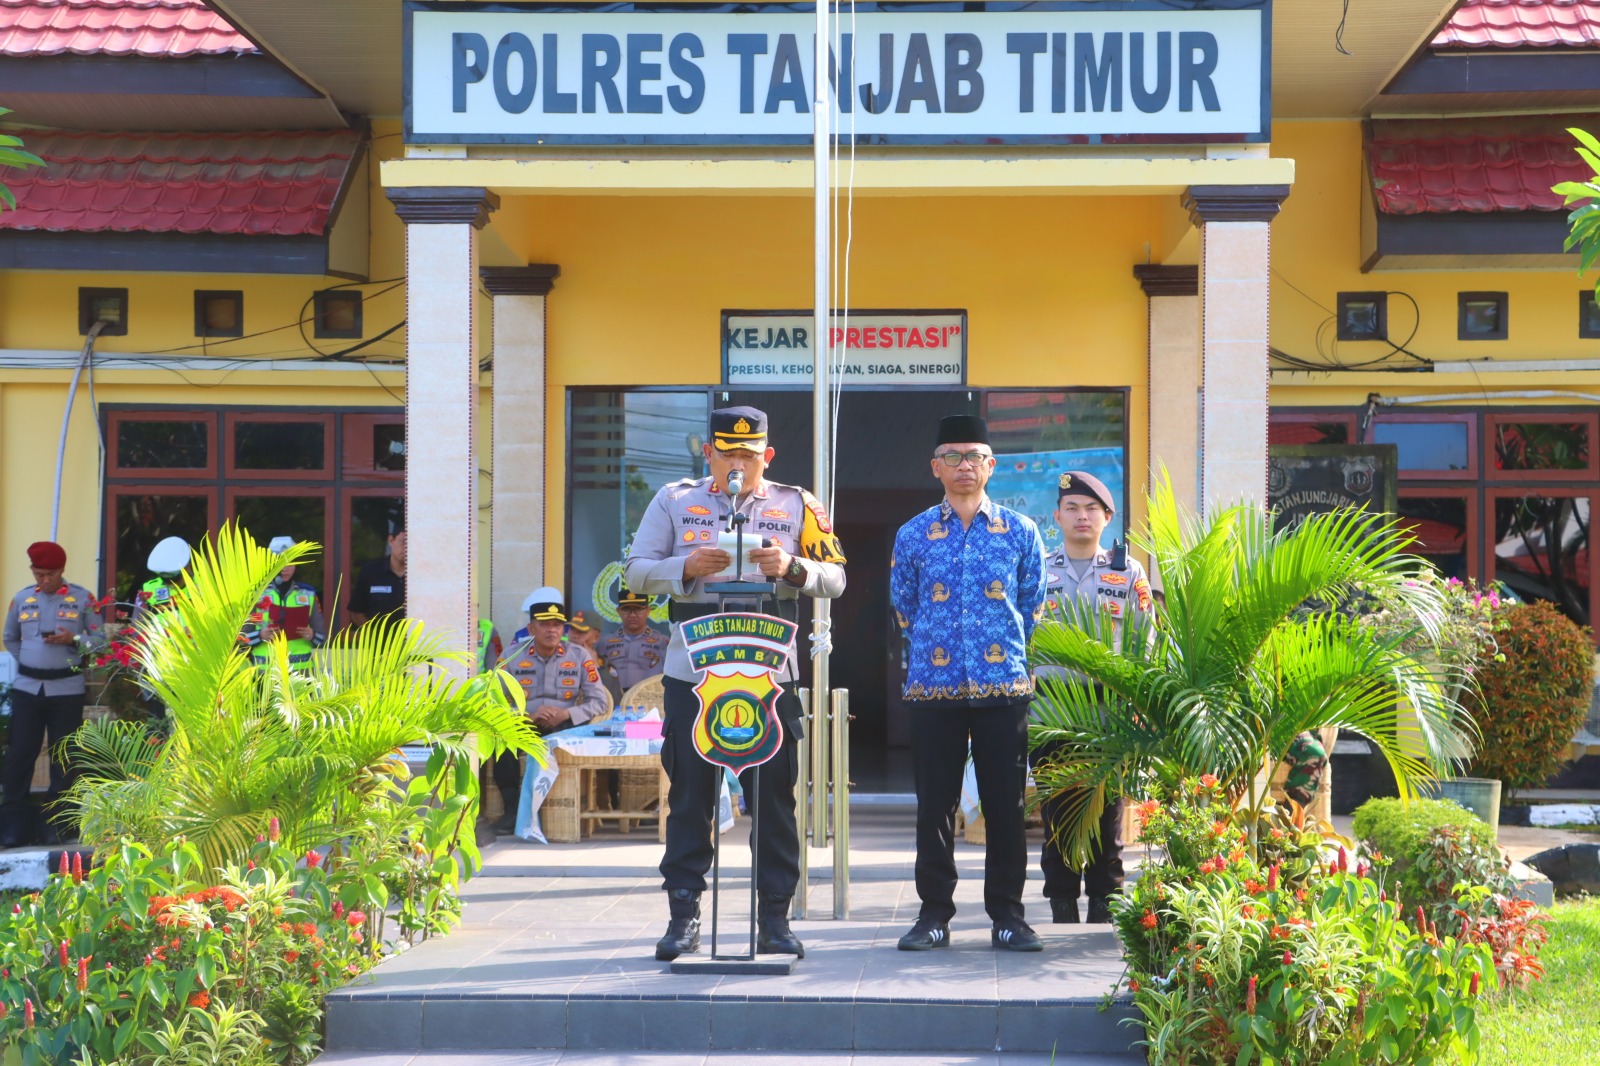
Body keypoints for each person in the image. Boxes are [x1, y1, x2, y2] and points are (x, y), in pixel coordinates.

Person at [624, 405, 846, 962]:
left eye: (749, 455)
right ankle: (684, 916)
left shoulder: (797, 503)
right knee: (691, 797)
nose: (738, 465)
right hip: (695, 675)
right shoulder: (675, 501)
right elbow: (634, 570)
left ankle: (774, 918)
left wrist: (792, 568)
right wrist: (685, 567)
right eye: (728, 453)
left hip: (768, 677)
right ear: (709, 454)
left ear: (767, 456)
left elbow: (837, 576)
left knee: (774, 800)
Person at [890, 414, 1047, 953]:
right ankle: (934, 915)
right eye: (952, 456)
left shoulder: (1021, 532)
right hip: (934, 689)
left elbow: (1031, 606)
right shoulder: (913, 534)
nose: (964, 466)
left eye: (974, 456)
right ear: (936, 467)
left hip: (1004, 688)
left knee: (1006, 807)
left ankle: (1008, 916)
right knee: (934, 805)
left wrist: (997, 655)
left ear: (991, 466)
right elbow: (905, 607)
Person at [1035, 470, 1154, 924]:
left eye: (1091, 509)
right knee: (1057, 807)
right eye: (1072, 508)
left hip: (1110, 706)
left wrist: (1142, 703)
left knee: (1107, 808)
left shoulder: (1127, 571)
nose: (1081, 517)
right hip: (1051, 705)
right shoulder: (1038, 568)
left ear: (1107, 517)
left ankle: (1107, 900)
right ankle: (1061, 901)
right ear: (1057, 517)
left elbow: (1145, 639)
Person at [1, 541, 105, 847]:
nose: (45, 579)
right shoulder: (22, 599)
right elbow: (10, 638)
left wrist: (73, 639)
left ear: (63, 570)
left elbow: (99, 643)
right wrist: (33, 663)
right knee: (21, 754)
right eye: (40, 573)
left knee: (64, 757)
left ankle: (57, 823)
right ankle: (14, 824)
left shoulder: (84, 599)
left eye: (52, 573)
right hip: (28, 689)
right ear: (33, 570)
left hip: (67, 689)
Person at [494, 592, 608, 832]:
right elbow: (494, 701)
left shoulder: (580, 656)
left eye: (557, 625)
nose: (552, 631)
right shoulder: (510, 656)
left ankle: (567, 809)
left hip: (567, 725)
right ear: (531, 628)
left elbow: (599, 702)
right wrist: (525, 715)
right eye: (545, 624)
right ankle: (512, 811)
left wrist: (567, 714)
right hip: (524, 725)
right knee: (503, 743)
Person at [242, 537, 327, 670]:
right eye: (280, 562)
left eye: (290, 562)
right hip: (264, 671)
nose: (285, 568)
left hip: (301, 672)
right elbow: (241, 638)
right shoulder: (256, 594)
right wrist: (259, 635)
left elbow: (322, 639)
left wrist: (312, 635)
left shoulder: (308, 593)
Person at [598, 587, 666, 696]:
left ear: (648, 610)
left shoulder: (662, 642)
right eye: (627, 609)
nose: (632, 615)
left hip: (648, 699)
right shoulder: (605, 642)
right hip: (613, 699)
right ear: (619, 611)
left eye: (638, 609)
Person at [349, 520, 405, 626]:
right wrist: (372, 635)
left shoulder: (424, 577)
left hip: (416, 641)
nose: (407, 547)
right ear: (391, 540)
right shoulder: (371, 572)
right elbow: (356, 612)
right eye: (403, 541)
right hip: (380, 641)